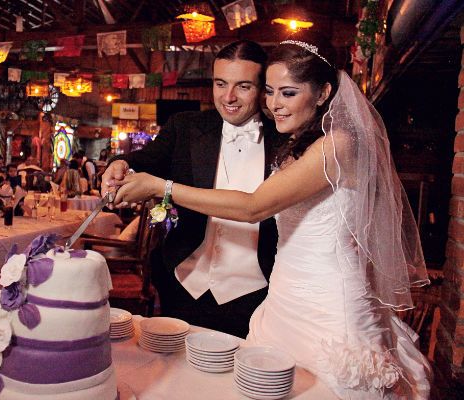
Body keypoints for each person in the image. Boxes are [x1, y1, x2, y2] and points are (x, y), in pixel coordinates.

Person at [111, 32, 432, 399]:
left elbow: (254, 206)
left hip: (317, 304)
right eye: (270, 91)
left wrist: (161, 188)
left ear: (324, 93)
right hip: (278, 300)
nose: (275, 104)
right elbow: (147, 159)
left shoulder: (337, 144)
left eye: (288, 92)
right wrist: (123, 165)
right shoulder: (299, 141)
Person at [101, 40, 277, 338]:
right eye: (220, 84)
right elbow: (144, 160)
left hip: (258, 293)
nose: (229, 97)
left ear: (263, 89)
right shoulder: (185, 126)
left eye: (243, 86)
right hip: (184, 282)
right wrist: (119, 164)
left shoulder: (284, 138)